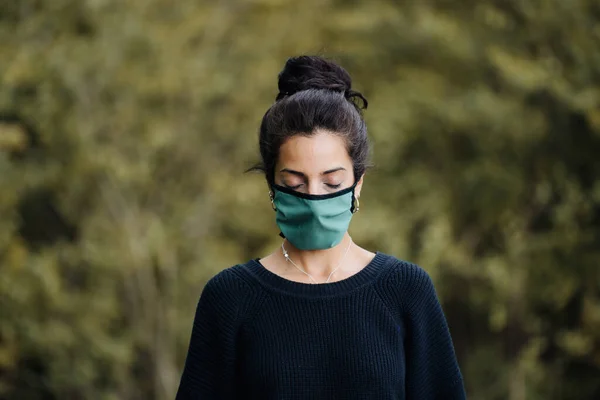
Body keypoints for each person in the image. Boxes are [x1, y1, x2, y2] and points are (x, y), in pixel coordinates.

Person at [175, 55, 466, 399]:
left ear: (358, 183)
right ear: (271, 187)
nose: (313, 198)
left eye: (331, 183)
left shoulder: (405, 291)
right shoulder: (230, 299)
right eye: (296, 184)